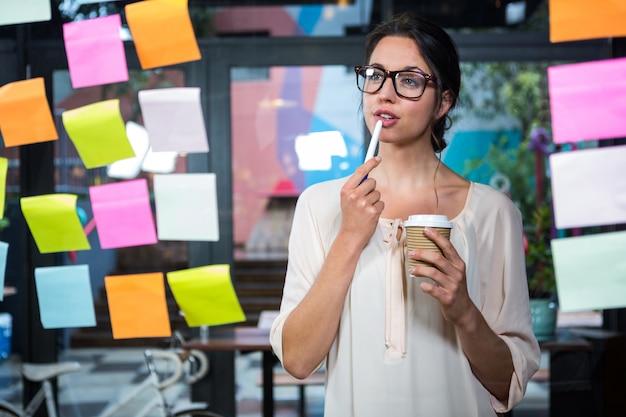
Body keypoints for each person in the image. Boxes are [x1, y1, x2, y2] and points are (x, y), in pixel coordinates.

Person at [269, 12, 541, 417]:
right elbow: (298, 360)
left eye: (410, 80)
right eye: (376, 75)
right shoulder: (320, 204)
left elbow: (506, 383)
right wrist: (349, 237)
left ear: (443, 102)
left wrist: (462, 309)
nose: (385, 93)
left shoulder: (492, 213)